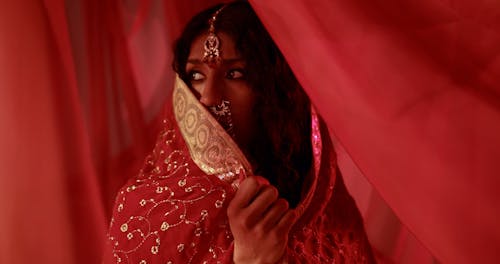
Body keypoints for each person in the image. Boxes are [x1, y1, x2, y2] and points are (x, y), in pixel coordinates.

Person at [104, 1, 375, 263]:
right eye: (196, 76)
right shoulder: (146, 211)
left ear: (277, 91)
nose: (209, 98)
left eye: (235, 74)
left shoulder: (326, 209)